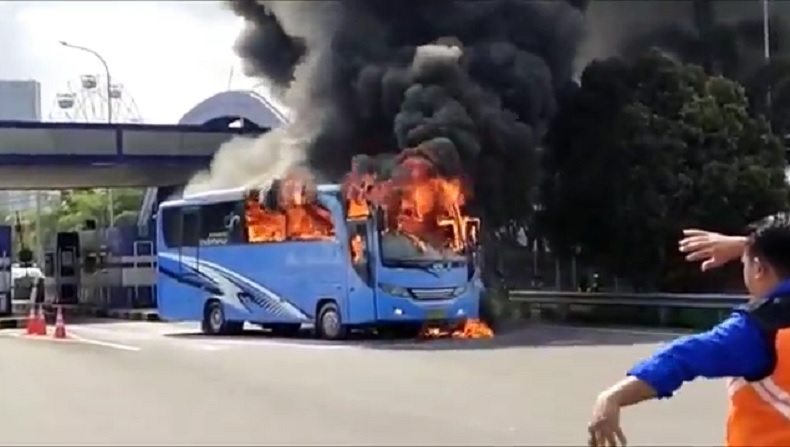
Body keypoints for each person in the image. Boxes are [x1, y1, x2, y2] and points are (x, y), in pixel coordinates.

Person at [587, 212, 790, 447]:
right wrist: (749, 245)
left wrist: (612, 397)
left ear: (758, 269)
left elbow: (683, 357)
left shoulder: (760, 328)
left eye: (744, 263)